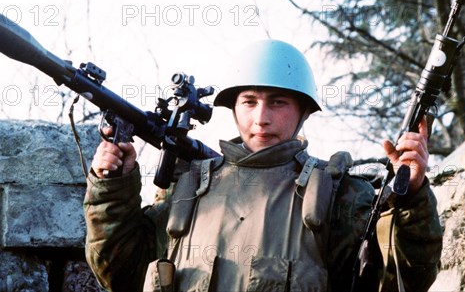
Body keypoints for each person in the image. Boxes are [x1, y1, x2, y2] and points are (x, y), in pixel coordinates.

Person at [83, 40, 443, 292]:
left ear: (302, 111)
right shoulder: (188, 191)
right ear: (233, 108)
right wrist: (112, 185)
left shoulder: (339, 196)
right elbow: (120, 273)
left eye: (279, 103)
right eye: (249, 102)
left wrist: (411, 198)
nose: (261, 118)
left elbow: (400, 281)